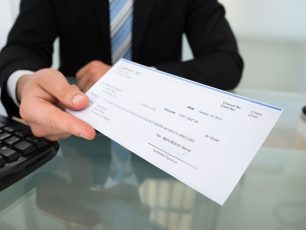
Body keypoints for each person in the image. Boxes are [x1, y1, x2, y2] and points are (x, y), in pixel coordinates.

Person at [0, 0, 243, 141]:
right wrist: (25, 83)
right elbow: (23, 47)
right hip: (76, 132)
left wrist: (136, 80)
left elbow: (226, 62)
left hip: (159, 134)